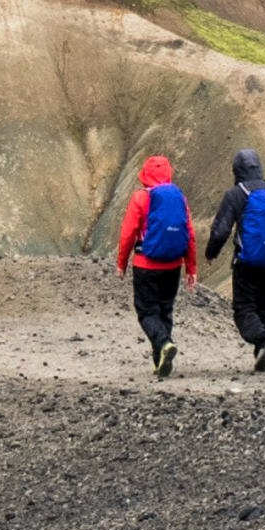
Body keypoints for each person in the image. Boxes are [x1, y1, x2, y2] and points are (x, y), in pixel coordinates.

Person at [201, 148, 265, 370]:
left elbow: (221, 230)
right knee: (264, 305)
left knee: (244, 308)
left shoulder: (236, 194)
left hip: (247, 263)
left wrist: (211, 253)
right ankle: (262, 353)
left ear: (237, 171)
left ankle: (263, 339)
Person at [111, 153, 196, 377]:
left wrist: (121, 262)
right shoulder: (180, 198)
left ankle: (164, 343)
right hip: (173, 265)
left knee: (147, 311)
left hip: (145, 265)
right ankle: (160, 359)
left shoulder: (140, 197)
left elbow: (128, 233)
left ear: (145, 175)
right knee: (165, 310)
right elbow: (189, 234)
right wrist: (191, 267)